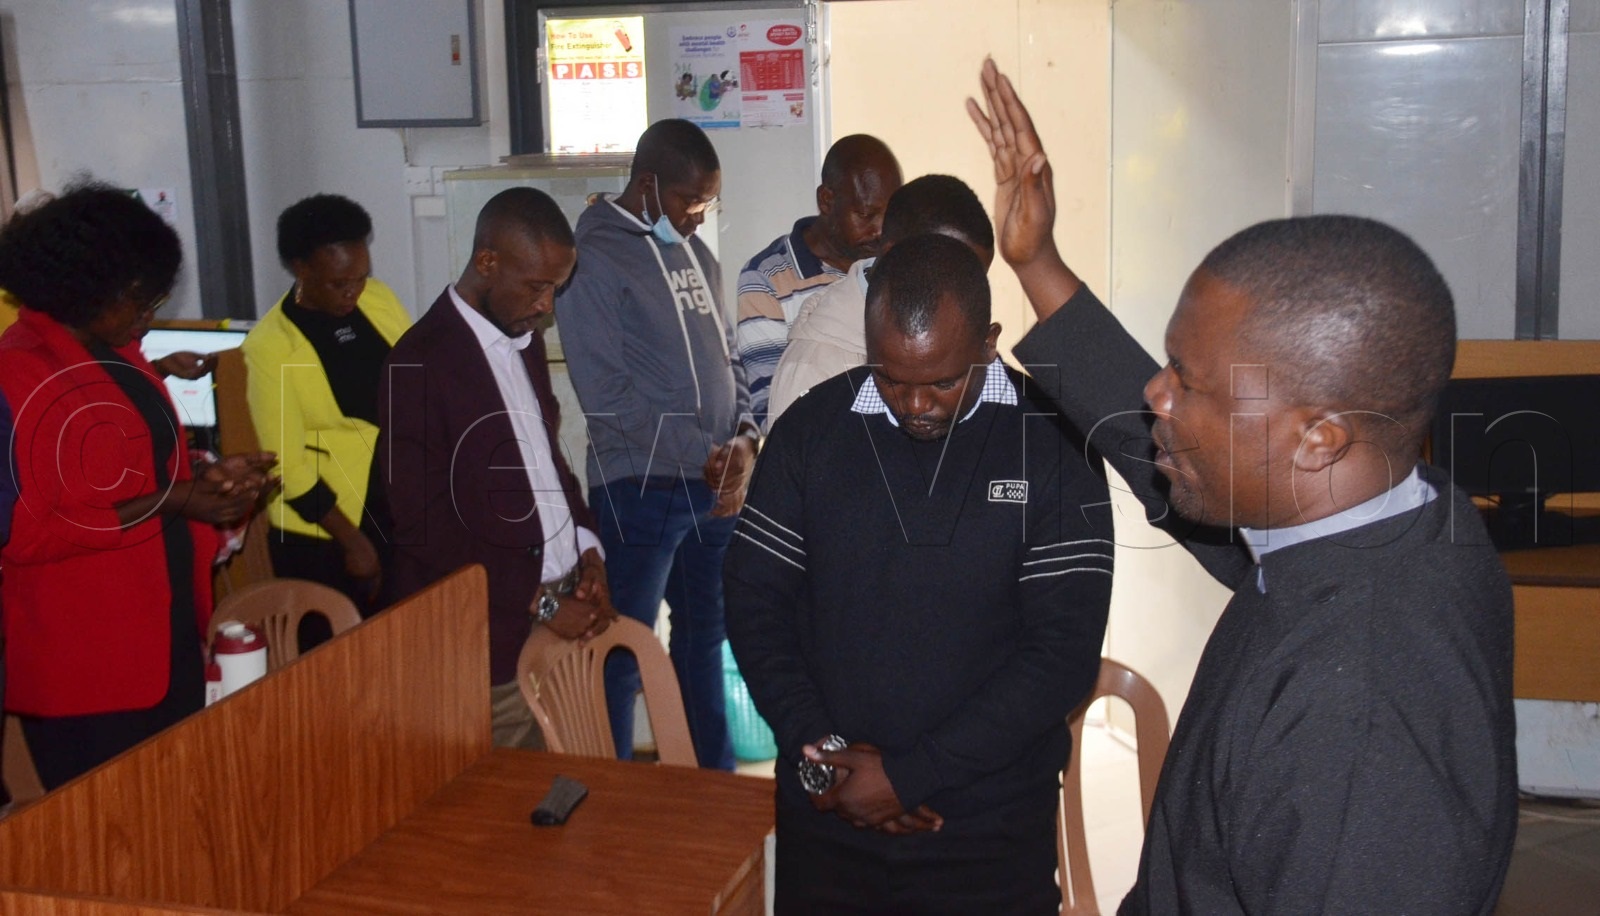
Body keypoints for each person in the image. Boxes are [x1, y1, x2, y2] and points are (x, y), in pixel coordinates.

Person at [969, 60, 1517, 913]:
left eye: (1188, 381)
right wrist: (1038, 264)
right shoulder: (1385, 518)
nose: (1158, 394)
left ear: (1318, 438)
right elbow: (1171, 461)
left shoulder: (1362, 716)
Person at [725, 233, 1113, 914]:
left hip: (986, 832)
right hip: (828, 813)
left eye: (942, 381)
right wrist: (824, 753)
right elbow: (755, 601)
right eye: (891, 378)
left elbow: (1062, 654)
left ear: (988, 343)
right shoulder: (812, 430)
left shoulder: (1056, 442)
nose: (915, 405)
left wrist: (909, 776)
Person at [0, 183, 274, 789]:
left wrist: (208, 478)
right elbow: (26, 534)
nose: (148, 316)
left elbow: (137, 470)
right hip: (88, 669)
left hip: (164, 637)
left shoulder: (118, 351)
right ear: (86, 290)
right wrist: (173, 499)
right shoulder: (18, 370)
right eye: (139, 300)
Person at [378, 187, 615, 750]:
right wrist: (542, 602)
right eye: (536, 287)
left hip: (561, 610)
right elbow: (422, 527)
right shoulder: (416, 361)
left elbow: (547, 463)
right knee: (514, 792)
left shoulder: (522, 341)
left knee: (575, 783)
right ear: (487, 262)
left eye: (555, 288)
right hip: (489, 636)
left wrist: (588, 552)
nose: (546, 306)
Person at [555, 118, 751, 770]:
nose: (698, 216)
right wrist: (703, 453)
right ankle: (616, 797)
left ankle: (711, 784)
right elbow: (606, 394)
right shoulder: (593, 258)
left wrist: (743, 442)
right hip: (639, 486)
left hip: (711, 488)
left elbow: (731, 360)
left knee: (704, 639)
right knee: (622, 648)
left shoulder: (698, 254)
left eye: (707, 202)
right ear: (647, 185)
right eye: (689, 200)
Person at [241, 194, 411, 613]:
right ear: (301, 268)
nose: (353, 291)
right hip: (322, 529)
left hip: (391, 507)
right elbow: (285, 464)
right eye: (339, 283)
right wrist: (352, 541)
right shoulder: (271, 346)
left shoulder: (378, 299)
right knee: (333, 648)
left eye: (361, 277)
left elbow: (417, 376)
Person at [767, 173, 994, 426]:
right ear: (892, 255)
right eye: (953, 274)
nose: (970, 292)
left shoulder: (963, 336)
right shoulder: (814, 368)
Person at [735, 134, 901, 427]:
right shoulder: (765, 278)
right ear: (826, 200)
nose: (879, 230)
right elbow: (772, 407)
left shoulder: (895, 269)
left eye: (889, 216)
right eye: (866, 215)